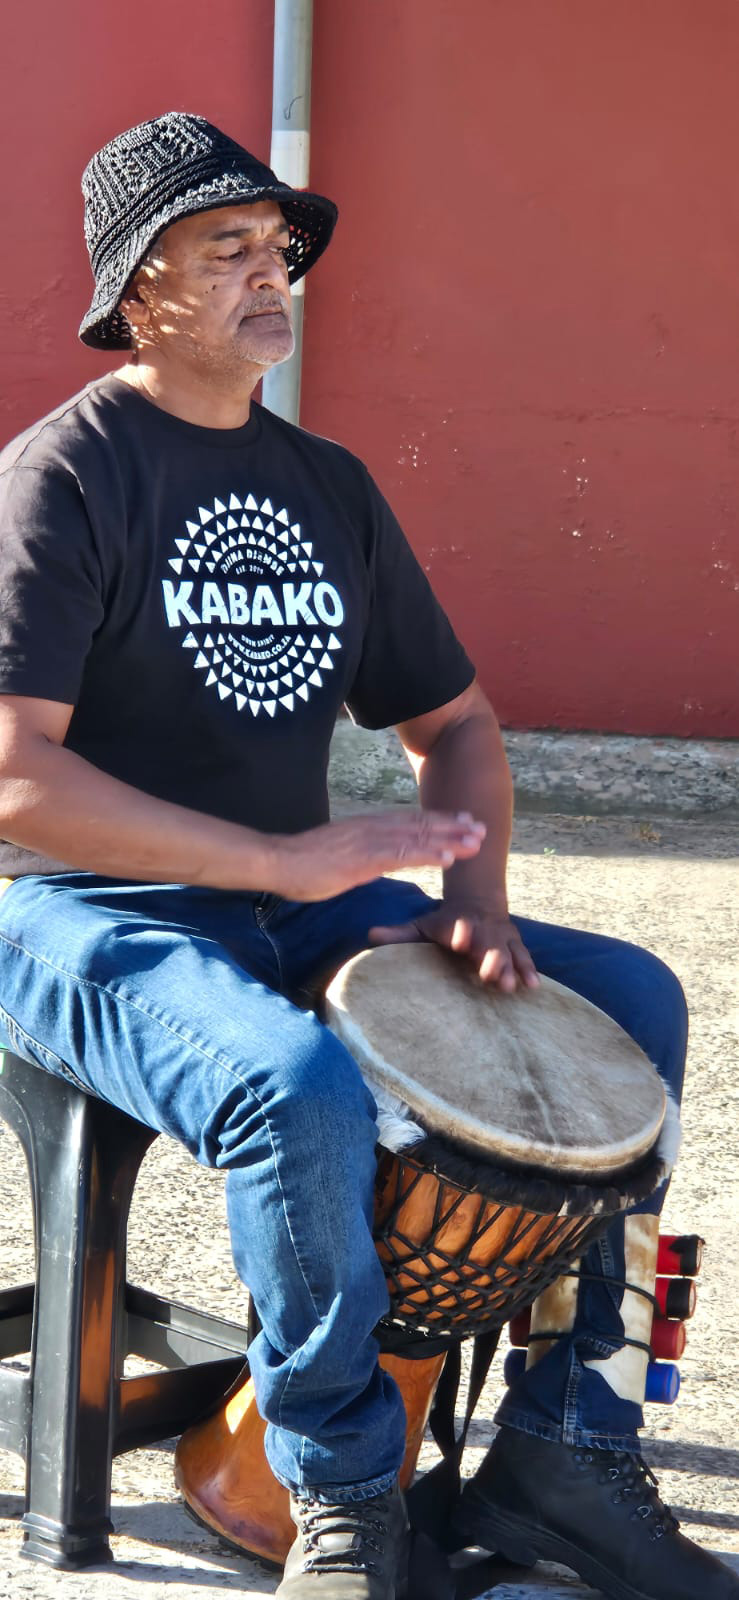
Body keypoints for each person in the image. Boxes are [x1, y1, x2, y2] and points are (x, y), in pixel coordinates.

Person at [0, 112, 733, 1600]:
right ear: (139, 288)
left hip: (299, 901)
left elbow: (453, 722)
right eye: (228, 248)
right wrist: (276, 863)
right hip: (83, 915)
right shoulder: (62, 477)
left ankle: (565, 1449)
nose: (272, 274)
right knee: (294, 1086)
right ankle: (341, 1498)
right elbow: (17, 780)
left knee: (632, 1000)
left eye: (279, 249)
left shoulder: (325, 484)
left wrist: (477, 902)